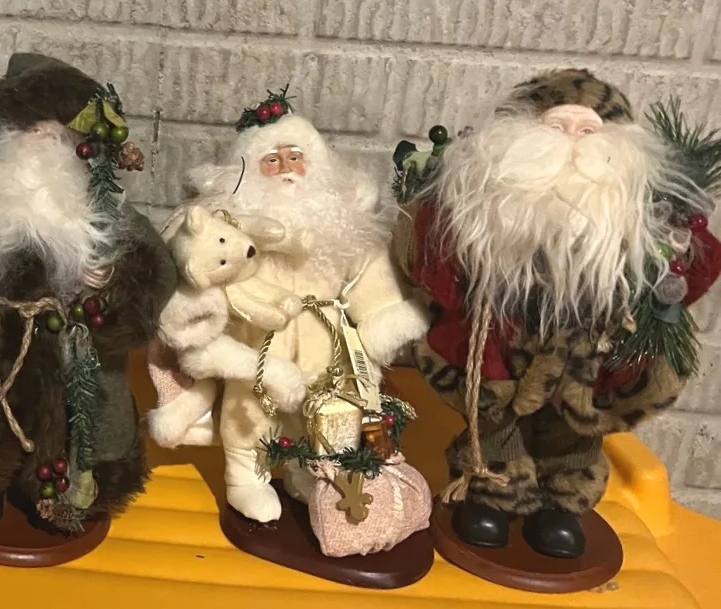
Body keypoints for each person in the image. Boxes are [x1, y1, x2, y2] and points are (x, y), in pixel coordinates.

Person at [408, 69, 721, 558]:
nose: (573, 139)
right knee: (495, 419)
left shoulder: (639, 218)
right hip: (501, 336)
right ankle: (492, 491)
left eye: (589, 129)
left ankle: (562, 502)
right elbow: (431, 263)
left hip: (587, 349)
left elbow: (689, 279)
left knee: (573, 428)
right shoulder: (474, 209)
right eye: (557, 125)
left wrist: (683, 235)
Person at [0, 53, 176, 538]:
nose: (42, 140)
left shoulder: (107, 213)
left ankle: (78, 489)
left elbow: (157, 275)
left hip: (76, 356)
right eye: (30, 128)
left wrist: (113, 283)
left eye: (55, 131)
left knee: (85, 420)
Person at [183, 91, 431, 522]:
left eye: (294, 157)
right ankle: (245, 478)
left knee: (325, 412)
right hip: (260, 342)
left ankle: (307, 472)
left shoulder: (343, 227)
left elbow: (369, 276)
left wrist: (382, 321)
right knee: (250, 412)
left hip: (326, 343)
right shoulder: (234, 230)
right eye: (271, 160)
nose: (285, 169)